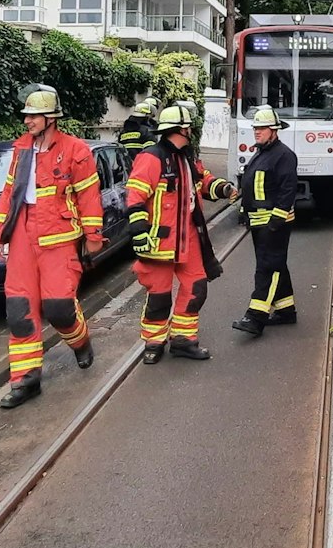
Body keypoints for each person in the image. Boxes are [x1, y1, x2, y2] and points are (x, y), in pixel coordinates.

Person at [0, 85, 105, 409]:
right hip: (24, 238)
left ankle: (80, 341)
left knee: (59, 309)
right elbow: (9, 193)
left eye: (33, 116)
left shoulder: (75, 150)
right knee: (19, 313)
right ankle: (26, 380)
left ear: (50, 118)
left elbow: (88, 196)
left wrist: (93, 234)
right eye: (26, 116)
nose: (27, 121)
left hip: (59, 239)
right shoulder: (21, 149)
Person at [124, 104, 235, 362]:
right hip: (160, 241)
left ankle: (183, 340)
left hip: (189, 238)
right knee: (159, 297)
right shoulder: (151, 158)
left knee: (197, 289)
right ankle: (153, 343)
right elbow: (135, 197)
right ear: (181, 129)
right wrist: (139, 232)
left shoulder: (188, 157)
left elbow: (204, 182)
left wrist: (225, 188)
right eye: (188, 128)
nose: (191, 131)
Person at [231, 106, 298, 339]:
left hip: (274, 222)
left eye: (262, 128)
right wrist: (243, 210)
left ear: (274, 131)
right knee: (275, 264)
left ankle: (255, 317)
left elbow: (288, 190)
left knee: (267, 268)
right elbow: (250, 185)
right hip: (258, 222)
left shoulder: (284, 155)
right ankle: (286, 310)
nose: (257, 132)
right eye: (256, 128)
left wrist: (276, 220)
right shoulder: (260, 153)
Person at [118, 97, 157, 163]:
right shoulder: (147, 132)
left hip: (126, 170)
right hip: (141, 169)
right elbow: (152, 155)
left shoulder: (123, 133)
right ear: (146, 116)